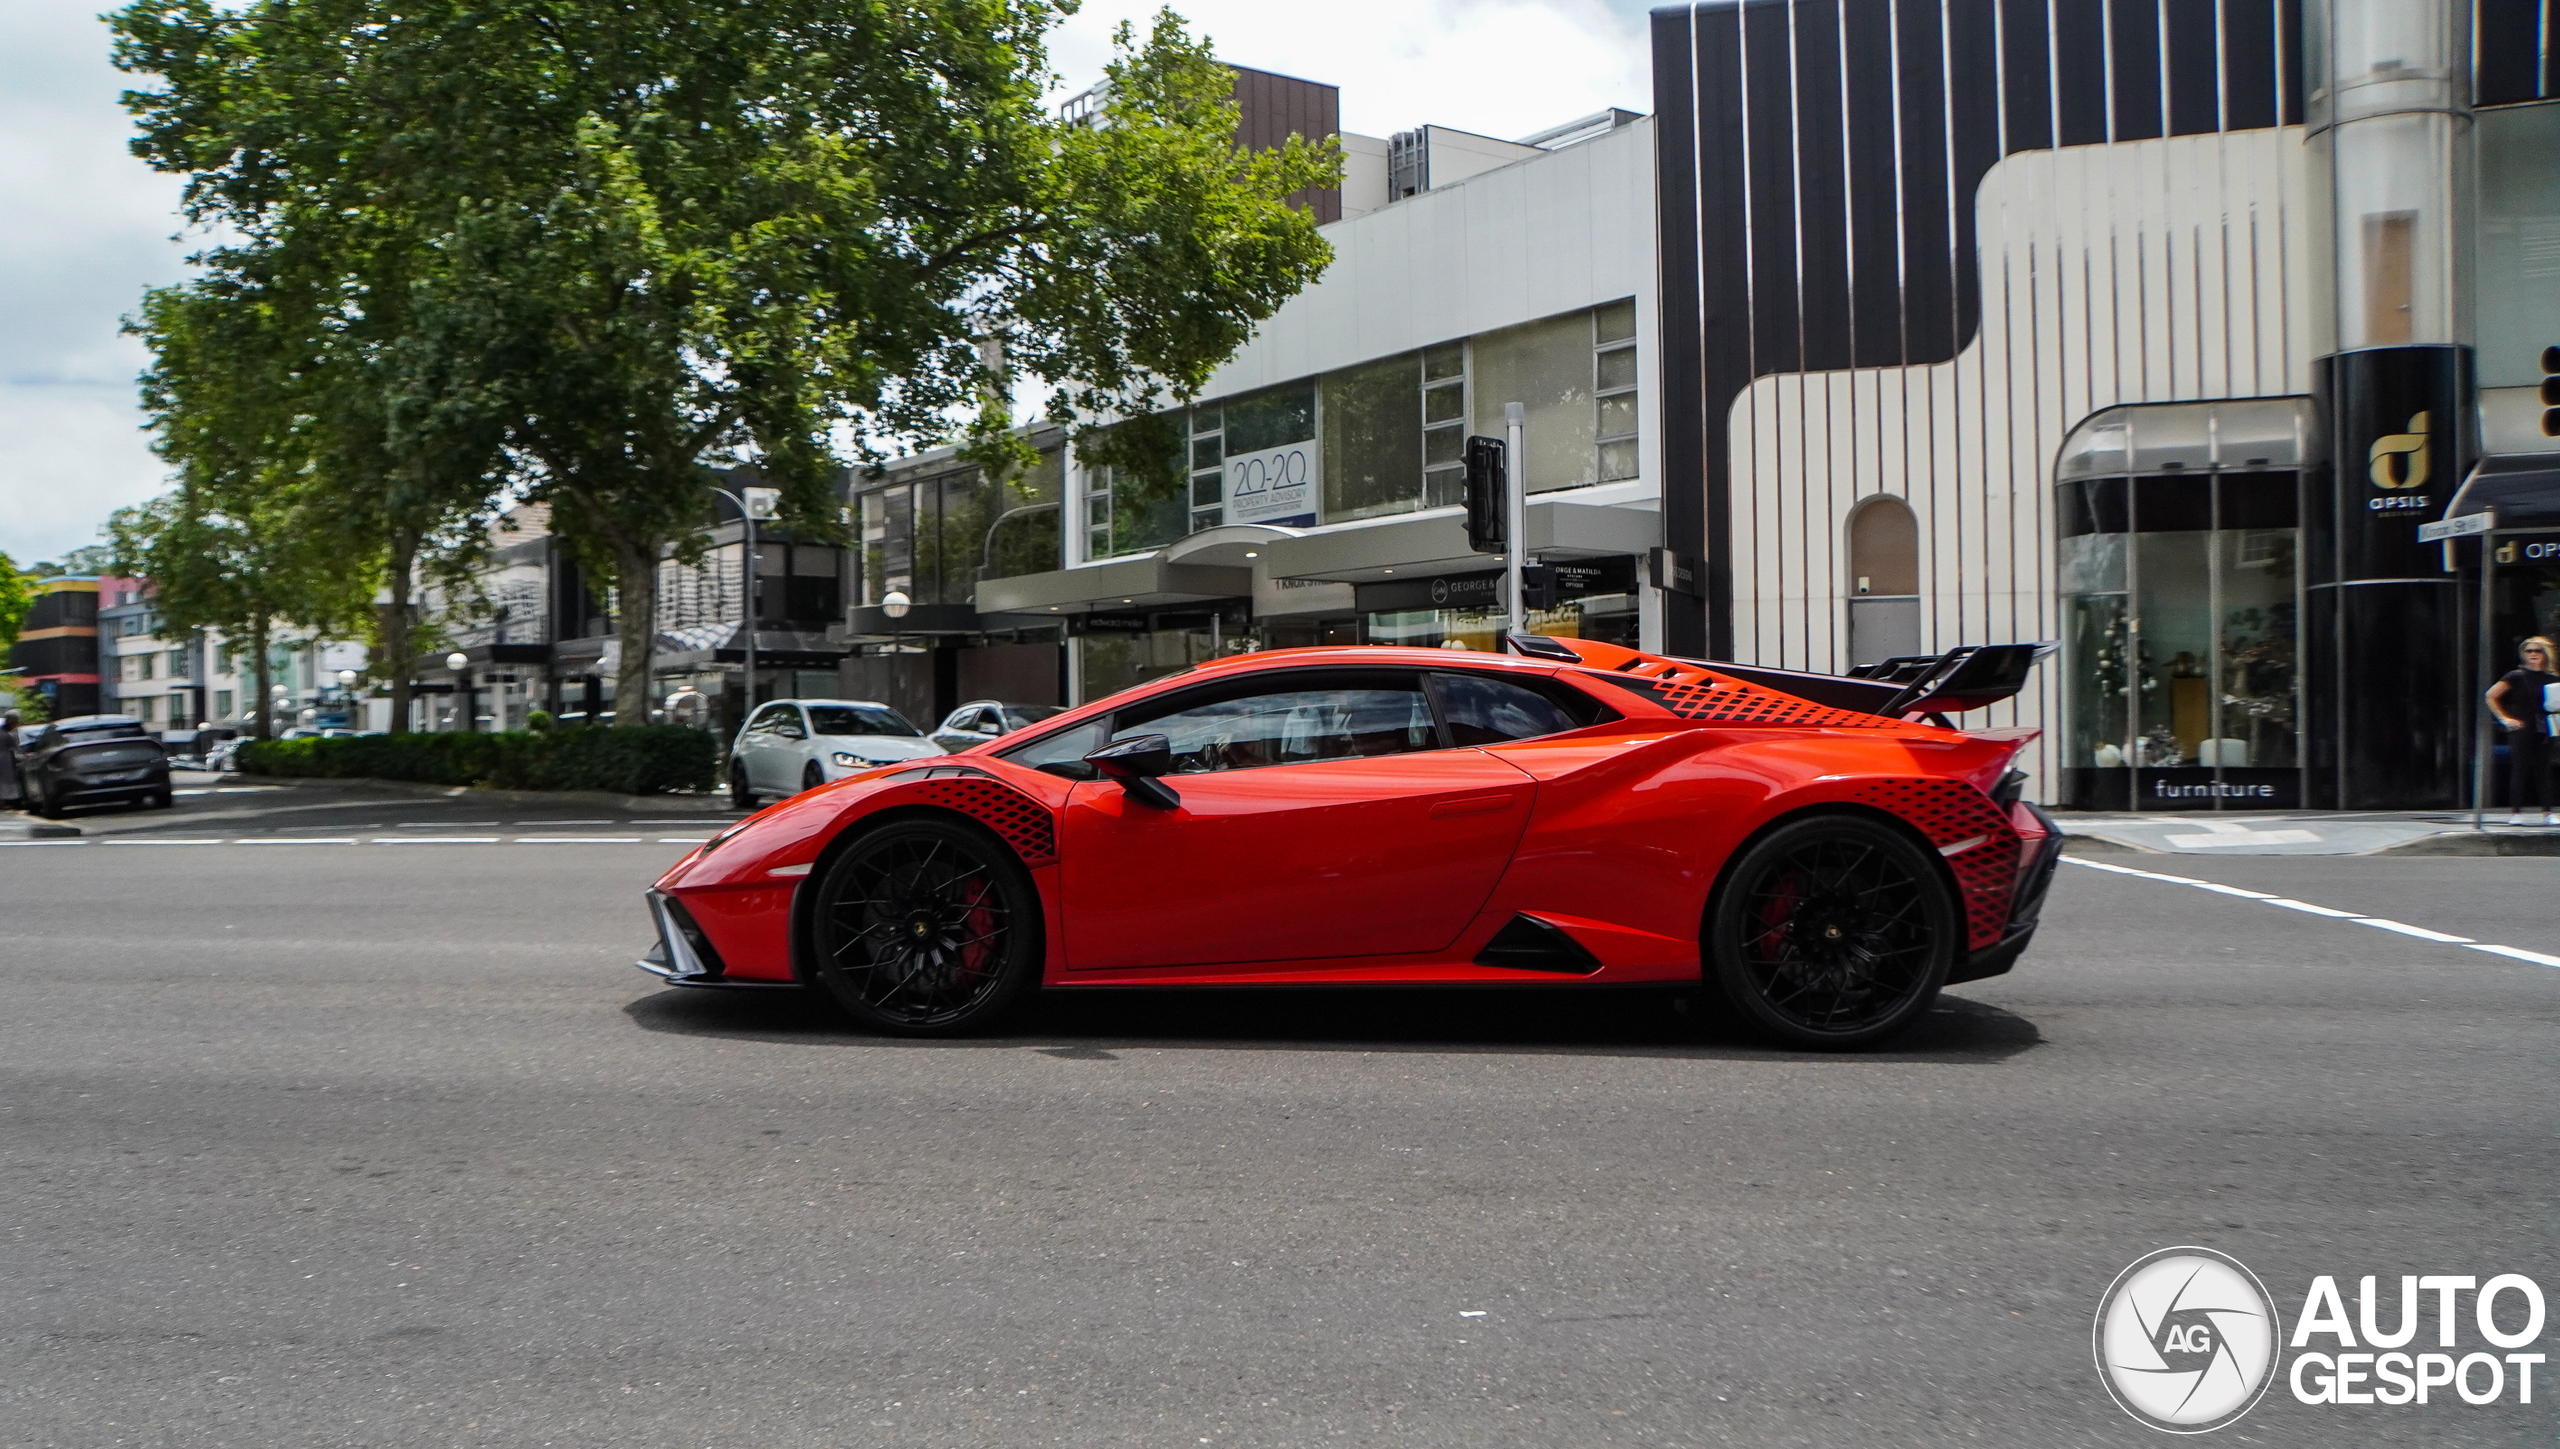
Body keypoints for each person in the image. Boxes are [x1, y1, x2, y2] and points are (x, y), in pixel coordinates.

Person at [2487, 636, 2560, 826]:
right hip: (2521, 726)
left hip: (2544, 726)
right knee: (2519, 770)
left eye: (2537, 651)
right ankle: (2516, 813)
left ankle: (2548, 812)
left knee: (2544, 771)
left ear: (2545, 654)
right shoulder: (2515, 676)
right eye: (2529, 651)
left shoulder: (2552, 678)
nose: (2533, 654)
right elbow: (2491, 696)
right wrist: (2505, 719)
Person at [0, 710, 21, 812]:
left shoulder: (9, 732)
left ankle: (4, 802)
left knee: (5, 781)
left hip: (6, 759)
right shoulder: (7, 733)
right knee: (5, 781)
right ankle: (3, 802)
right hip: (5, 759)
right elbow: (16, 748)